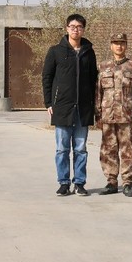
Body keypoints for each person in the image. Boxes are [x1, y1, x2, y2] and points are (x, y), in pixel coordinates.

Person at [42, 13, 98, 196]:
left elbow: (93, 79)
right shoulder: (55, 51)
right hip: (62, 107)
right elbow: (47, 78)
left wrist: (93, 104)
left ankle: (79, 183)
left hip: (83, 108)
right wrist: (49, 102)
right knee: (62, 149)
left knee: (81, 149)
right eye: (72, 26)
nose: (76, 30)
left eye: (79, 27)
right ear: (67, 28)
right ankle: (64, 183)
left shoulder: (88, 52)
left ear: (83, 29)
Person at [95, 32, 132, 197]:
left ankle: (127, 182)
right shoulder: (103, 66)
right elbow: (98, 92)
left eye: (122, 43)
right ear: (111, 46)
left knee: (127, 149)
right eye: (116, 43)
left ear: (126, 45)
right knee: (108, 149)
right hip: (107, 115)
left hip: (126, 115)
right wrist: (97, 114)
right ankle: (111, 182)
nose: (119, 46)